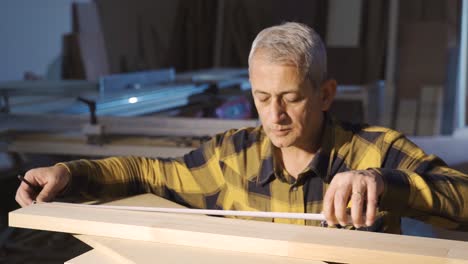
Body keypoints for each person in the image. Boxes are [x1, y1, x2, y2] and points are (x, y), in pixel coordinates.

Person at [16, 22, 468, 233]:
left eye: (291, 98)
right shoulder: (231, 157)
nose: (275, 116)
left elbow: (462, 196)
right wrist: (70, 173)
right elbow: (148, 172)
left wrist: (383, 183)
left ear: (326, 94)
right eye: (262, 98)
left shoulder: (375, 151)